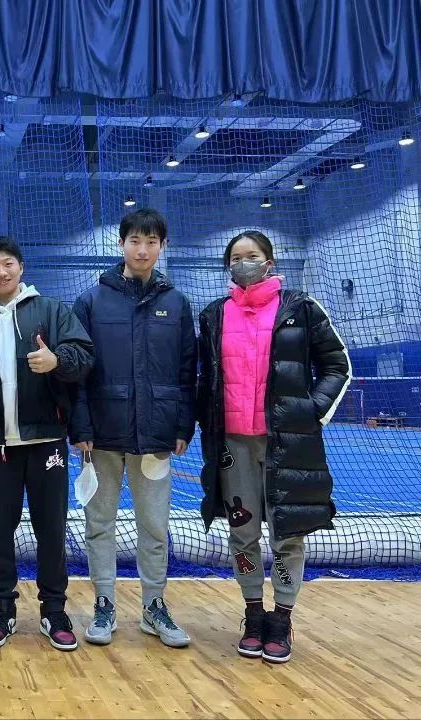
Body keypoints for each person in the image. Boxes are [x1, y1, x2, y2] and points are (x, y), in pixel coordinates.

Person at [197, 230, 351, 664]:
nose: (243, 263)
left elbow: (337, 365)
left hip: (286, 443)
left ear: (270, 261)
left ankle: (282, 618)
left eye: (252, 255)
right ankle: (253, 613)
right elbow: (205, 378)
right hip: (233, 444)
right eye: (235, 258)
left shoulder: (300, 309)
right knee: (242, 532)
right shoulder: (214, 315)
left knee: (288, 533)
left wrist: (310, 412)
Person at [70, 209, 197, 649]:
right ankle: (104, 604)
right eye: (135, 241)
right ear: (121, 243)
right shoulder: (90, 302)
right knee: (99, 523)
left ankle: (153, 607)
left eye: (151, 241)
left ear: (163, 246)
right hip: (102, 438)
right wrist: (81, 426)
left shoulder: (177, 304)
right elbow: (78, 372)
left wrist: (182, 424)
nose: (143, 250)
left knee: (155, 526)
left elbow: (187, 371)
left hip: (155, 438)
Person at [0, 236, 94, 652]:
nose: (1, 272)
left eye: (8, 264)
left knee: (51, 530)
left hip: (47, 442)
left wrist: (57, 361)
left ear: (21, 267)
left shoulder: (52, 310)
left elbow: (83, 356)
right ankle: (2, 609)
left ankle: (54, 610)